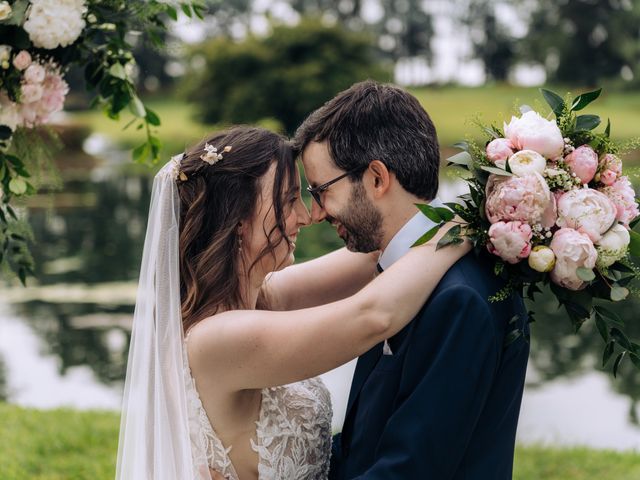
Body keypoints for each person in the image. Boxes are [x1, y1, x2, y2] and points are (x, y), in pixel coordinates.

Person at [115, 125, 470, 480]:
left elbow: (382, 247)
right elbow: (374, 316)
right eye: (288, 200)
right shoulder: (217, 338)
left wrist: (495, 198)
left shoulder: (263, 297)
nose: (306, 215)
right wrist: (465, 229)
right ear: (239, 220)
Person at [294, 80, 530, 479]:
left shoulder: (460, 298)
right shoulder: (403, 274)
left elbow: (410, 469)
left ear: (376, 178)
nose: (316, 213)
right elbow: (365, 444)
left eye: (320, 191)